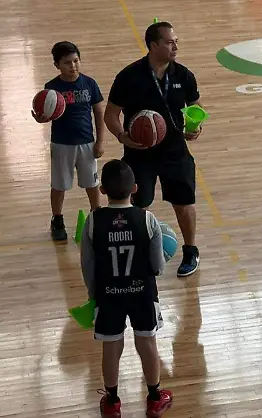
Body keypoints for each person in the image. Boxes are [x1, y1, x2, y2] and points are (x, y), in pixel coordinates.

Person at [103, 21, 202, 277]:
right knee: (138, 206)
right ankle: (137, 251)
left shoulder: (184, 76)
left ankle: (190, 250)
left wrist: (195, 127)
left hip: (175, 152)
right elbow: (111, 114)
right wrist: (122, 135)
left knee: (184, 202)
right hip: (139, 154)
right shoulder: (129, 76)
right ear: (153, 45)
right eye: (170, 42)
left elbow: (195, 107)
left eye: (176, 41)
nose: (175, 46)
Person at [79, 159, 173, 417]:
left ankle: (112, 402)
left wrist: (93, 294)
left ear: (103, 191)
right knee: (147, 344)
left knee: (111, 348)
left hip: (108, 295)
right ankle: (155, 397)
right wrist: (165, 255)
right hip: (142, 294)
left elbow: (87, 265)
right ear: (135, 188)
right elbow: (157, 267)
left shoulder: (93, 221)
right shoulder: (148, 220)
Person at [33, 41, 105, 241]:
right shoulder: (51, 88)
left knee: (92, 182)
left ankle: (96, 215)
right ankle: (57, 219)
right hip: (61, 144)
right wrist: (42, 118)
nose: (73, 66)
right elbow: (46, 113)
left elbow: (99, 113)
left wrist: (100, 141)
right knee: (59, 185)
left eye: (76, 61)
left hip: (87, 143)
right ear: (57, 65)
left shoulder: (90, 84)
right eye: (67, 62)